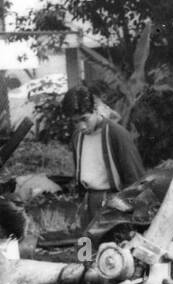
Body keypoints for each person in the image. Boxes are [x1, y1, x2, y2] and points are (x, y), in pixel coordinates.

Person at [59, 87, 146, 223]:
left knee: (110, 243)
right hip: (89, 201)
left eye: (84, 119)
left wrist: (133, 212)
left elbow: (134, 177)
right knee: (87, 242)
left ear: (95, 110)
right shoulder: (77, 137)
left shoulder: (116, 134)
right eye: (75, 122)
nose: (81, 126)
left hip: (115, 202)